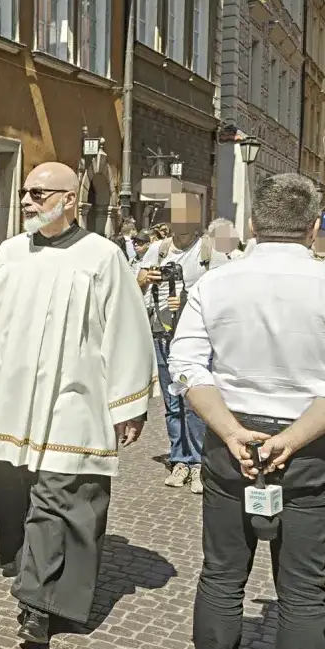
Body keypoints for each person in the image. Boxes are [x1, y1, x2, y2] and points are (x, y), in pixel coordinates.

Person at [168, 173, 325, 649]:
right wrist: (293, 438)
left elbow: (186, 366)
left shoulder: (219, 282)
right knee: (302, 590)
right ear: (311, 227)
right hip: (309, 445)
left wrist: (227, 430)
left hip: (233, 438)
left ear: (252, 223)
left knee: (222, 575)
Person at [0, 162, 155, 648]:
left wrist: (128, 403)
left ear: (70, 200)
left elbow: (126, 330)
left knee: (65, 492)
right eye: (25, 192)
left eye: (39, 193)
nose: (27, 201)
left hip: (73, 398)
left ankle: (37, 603)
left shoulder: (102, 257)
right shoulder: (12, 253)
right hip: (13, 399)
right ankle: (28, 569)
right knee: (15, 489)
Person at [136, 199, 229, 494]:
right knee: (171, 404)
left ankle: (200, 462)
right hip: (160, 334)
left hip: (194, 341)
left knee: (194, 403)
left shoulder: (210, 252)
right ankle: (180, 459)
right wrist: (142, 279)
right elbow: (132, 283)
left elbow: (224, 294)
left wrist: (187, 299)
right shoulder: (157, 249)